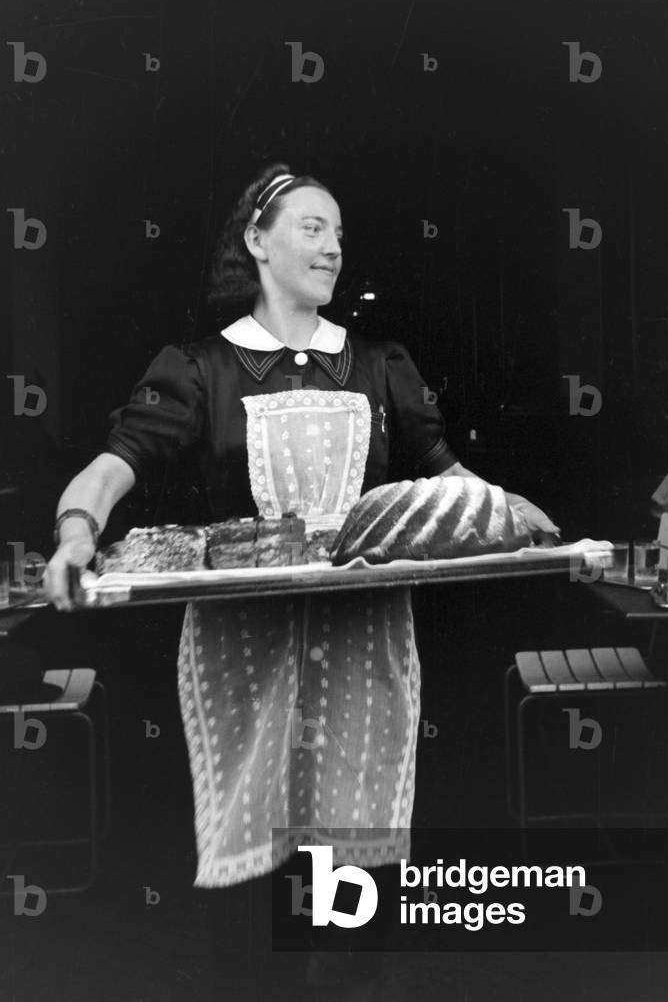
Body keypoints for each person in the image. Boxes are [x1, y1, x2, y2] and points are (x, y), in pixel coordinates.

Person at [44, 163, 559, 999]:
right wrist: (76, 534)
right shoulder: (199, 368)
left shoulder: (381, 364)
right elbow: (112, 467)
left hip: (365, 644)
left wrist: (522, 519)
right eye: (313, 228)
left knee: (356, 852)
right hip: (242, 649)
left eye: (339, 234)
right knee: (250, 857)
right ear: (257, 240)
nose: (332, 248)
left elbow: (454, 486)